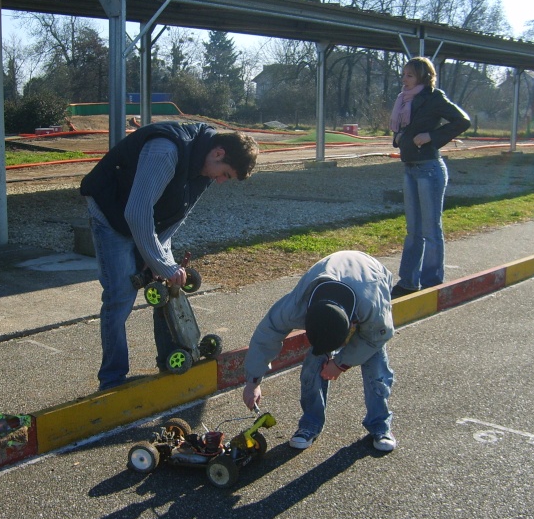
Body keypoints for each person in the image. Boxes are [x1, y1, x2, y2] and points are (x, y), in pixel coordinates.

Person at [80, 121, 258, 391]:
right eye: (225, 174)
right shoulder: (166, 150)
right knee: (120, 296)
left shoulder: (204, 167)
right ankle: (112, 380)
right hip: (111, 213)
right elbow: (136, 213)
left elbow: (176, 216)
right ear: (219, 153)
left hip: (140, 215)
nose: (221, 181)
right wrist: (161, 262)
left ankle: (168, 362)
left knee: (165, 285)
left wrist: (161, 261)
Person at [242, 250, 397, 452]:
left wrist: (341, 363)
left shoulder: (371, 304)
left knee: (376, 367)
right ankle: (310, 425)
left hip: (370, 275)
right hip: (332, 289)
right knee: (312, 367)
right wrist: (253, 381)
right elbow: (266, 335)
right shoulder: (295, 306)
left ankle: (380, 426)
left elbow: (377, 336)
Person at [389, 56, 470, 298]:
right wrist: (399, 138)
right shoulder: (403, 100)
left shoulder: (434, 98)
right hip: (410, 168)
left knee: (431, 230)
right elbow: (403, 128)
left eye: (410, 75)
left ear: (423, 77)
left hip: (429, 169)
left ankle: (432, 283)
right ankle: (408, 282)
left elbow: (462, 120)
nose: (404, 79)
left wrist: (431, 137)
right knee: (413, 230)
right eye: (403, 74)